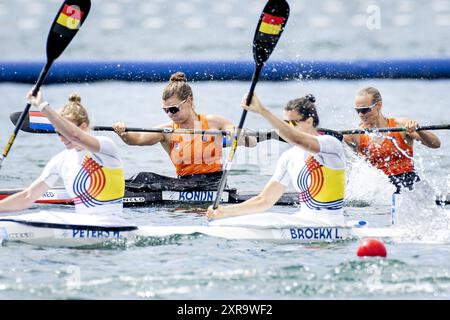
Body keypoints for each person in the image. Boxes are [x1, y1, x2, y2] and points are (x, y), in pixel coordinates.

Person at [207, 94, 346, 226]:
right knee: (260, 218)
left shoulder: (330, 144)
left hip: (332, 223)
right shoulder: (289, 157)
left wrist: (262, 110)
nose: (285, 127)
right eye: (284, 123)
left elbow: (296, 138)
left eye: (291, 123)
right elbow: (264, 200)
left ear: (309, 121)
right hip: (305, 221)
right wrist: (225, 211)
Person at [112, 72, 257, 189]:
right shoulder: (166, 131)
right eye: (166, 110)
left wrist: (237, 132)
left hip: (214, 185)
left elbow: (252, 142)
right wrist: (123, 133)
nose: (170, 114)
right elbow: (136, 140)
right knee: (143, 178)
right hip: (184, 185)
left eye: (173, 109)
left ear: (189, 101)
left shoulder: (213, 122)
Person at [0, 90, 125, 215]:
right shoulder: (60, 160)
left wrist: (43, 106)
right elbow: (27, 197)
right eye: (58, 133)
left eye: (64, 132)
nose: (61, 138)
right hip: (82, 226)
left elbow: (76, 136)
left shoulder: (105, 147)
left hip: (113, 224)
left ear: (83, 127)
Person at [343, 87, 441, 193]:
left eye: (365, 110)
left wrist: (419, 130)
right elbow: (330, 142)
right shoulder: (355, 135)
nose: (361, 114)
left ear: (378, 105)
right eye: (357, 110)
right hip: (378, 189)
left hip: (407, 183)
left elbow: (436, 144)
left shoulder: (401, 126)